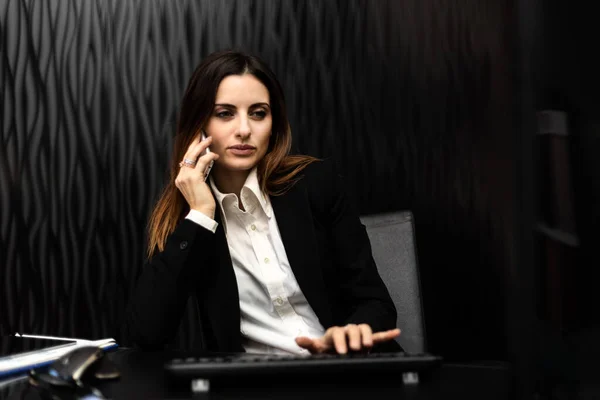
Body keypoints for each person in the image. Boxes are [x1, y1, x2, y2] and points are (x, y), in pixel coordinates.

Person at [124, 50, 401, 355]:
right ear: (199, 126)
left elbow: (376, 303)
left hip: (348, 372)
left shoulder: (316, 184)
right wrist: (202, 214)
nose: (244, 129)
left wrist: (353, 331)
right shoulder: (189, 223)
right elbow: (146, 333)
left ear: (274, 124)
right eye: (224, 113)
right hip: (257, 384)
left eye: (258, 113)